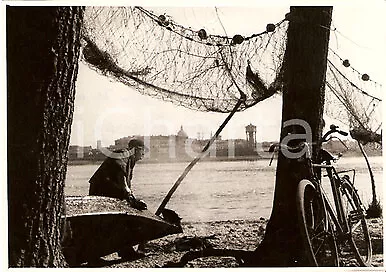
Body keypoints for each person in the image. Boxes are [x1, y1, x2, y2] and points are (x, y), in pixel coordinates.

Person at [88, 138, 148, 210]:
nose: (143, 154)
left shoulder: (130, 161)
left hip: (108, 192)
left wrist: (131, 195)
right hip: (100, 191)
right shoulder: (124, 153)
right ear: (136, 149)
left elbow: (126, 184)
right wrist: (127, 190)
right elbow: (121, 172)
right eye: (142, 150)